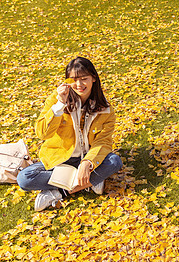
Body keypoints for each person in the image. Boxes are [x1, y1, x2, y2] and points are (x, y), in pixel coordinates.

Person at [17, 57, 123, 211]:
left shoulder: (105, 109)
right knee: (24, 179)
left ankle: (61, 190)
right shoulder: (56, 99)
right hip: (60, 160)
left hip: (88, 159)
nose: (79, 84)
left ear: (93, 78)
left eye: (84, 79)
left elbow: (103, 142)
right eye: (73, 79)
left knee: (114, 161)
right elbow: (42, 133)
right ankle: (91, 181)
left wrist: (88, 163)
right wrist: (59, 105)